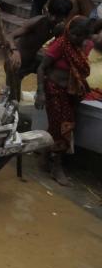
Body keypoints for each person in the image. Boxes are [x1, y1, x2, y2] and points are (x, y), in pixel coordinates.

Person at [36, 16, 93, 186]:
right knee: (63, 127)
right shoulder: (61, 44)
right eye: (75, 34)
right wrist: (40, 92)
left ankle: (45, 159)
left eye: (81, 36)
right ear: (69, 31)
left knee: (59, 125)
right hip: (53, 89)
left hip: (70, 93)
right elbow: (41, 67)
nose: (77, 38)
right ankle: (57, 167)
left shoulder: (80, 47)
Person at [3, 0, 72, 101]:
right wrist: (14, 51)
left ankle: (45, 97)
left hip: (33, 61)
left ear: (64, 17)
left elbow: (59, 48)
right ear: (48, 11)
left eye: (58, 16)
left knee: (56, 70)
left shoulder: (60, 28)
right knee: (13, 99)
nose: (53, 19)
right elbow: (9, 36)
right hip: (16, 62)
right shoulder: (36, 22)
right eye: (51, 15)